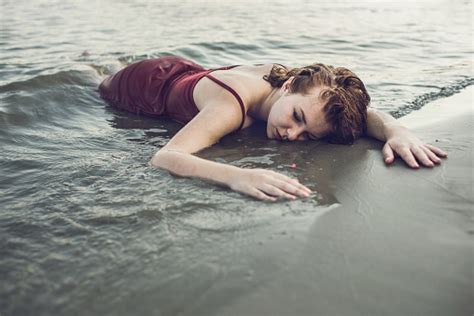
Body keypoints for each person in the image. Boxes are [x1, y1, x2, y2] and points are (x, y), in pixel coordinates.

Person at [99, 56, 447, 201]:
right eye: (296, 118)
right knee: (98, 80)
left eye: (308, 134)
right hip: (146, 87)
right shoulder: (231, 105)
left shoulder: (307, 91)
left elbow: (364, 113)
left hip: (193, 73)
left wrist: (397, 131)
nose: (292, 135)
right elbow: (165, 156)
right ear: (288, 85)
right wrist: (237, 175)